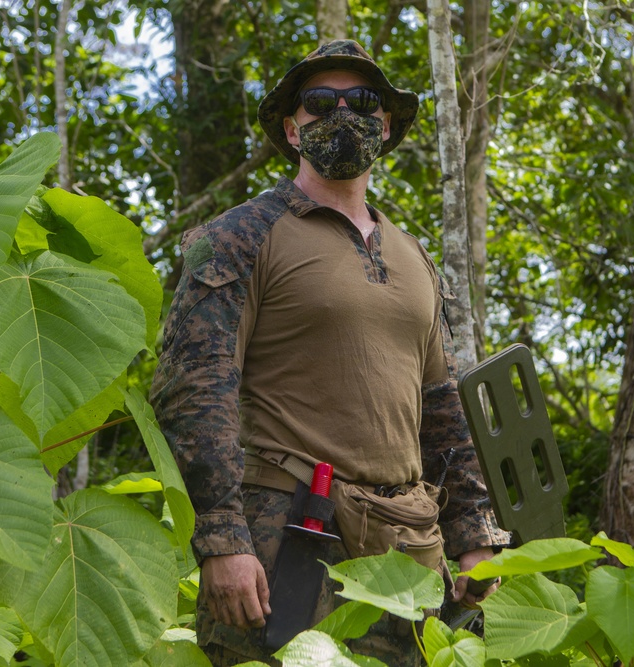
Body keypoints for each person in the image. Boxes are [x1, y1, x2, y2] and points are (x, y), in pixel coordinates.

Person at [149, 39, 511, 666]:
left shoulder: (415, 258)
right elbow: (191, 385)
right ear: (292, 129)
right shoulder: (240, 236)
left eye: (362, 102)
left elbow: (442, 408)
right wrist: (222, 538)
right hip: (288, 541)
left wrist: (473, 537)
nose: (342, 115)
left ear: (386, 123)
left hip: (408, 555)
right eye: (319, 103)